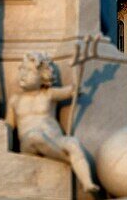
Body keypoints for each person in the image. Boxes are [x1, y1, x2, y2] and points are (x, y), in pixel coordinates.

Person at [7, 52, 99, 193]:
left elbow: (72, 90)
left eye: (29, 71)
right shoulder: (15, 100)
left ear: (43, 76)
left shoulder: (49, 94)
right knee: (35, 136)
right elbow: (9, 124)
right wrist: (1, 126)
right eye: (22, 69)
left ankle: (87, 183)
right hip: (29, 144)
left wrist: (79, 69)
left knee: (72, 142)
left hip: (54, 139)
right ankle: (68, 160)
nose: (23, 75)